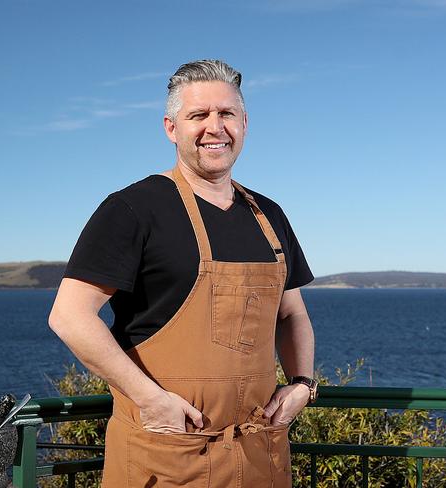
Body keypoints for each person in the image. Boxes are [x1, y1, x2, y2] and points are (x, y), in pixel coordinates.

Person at [48, 59, 316, 487]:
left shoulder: (269, 215)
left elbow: (291, 313)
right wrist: (150, 400)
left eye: (227, 114)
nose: (215, 127)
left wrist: (302, 383)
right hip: (169, 455)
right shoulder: (132, 209)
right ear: (172, 128)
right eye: (199, 115)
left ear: (244, 123)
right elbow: (70, 316)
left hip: (260, 457)